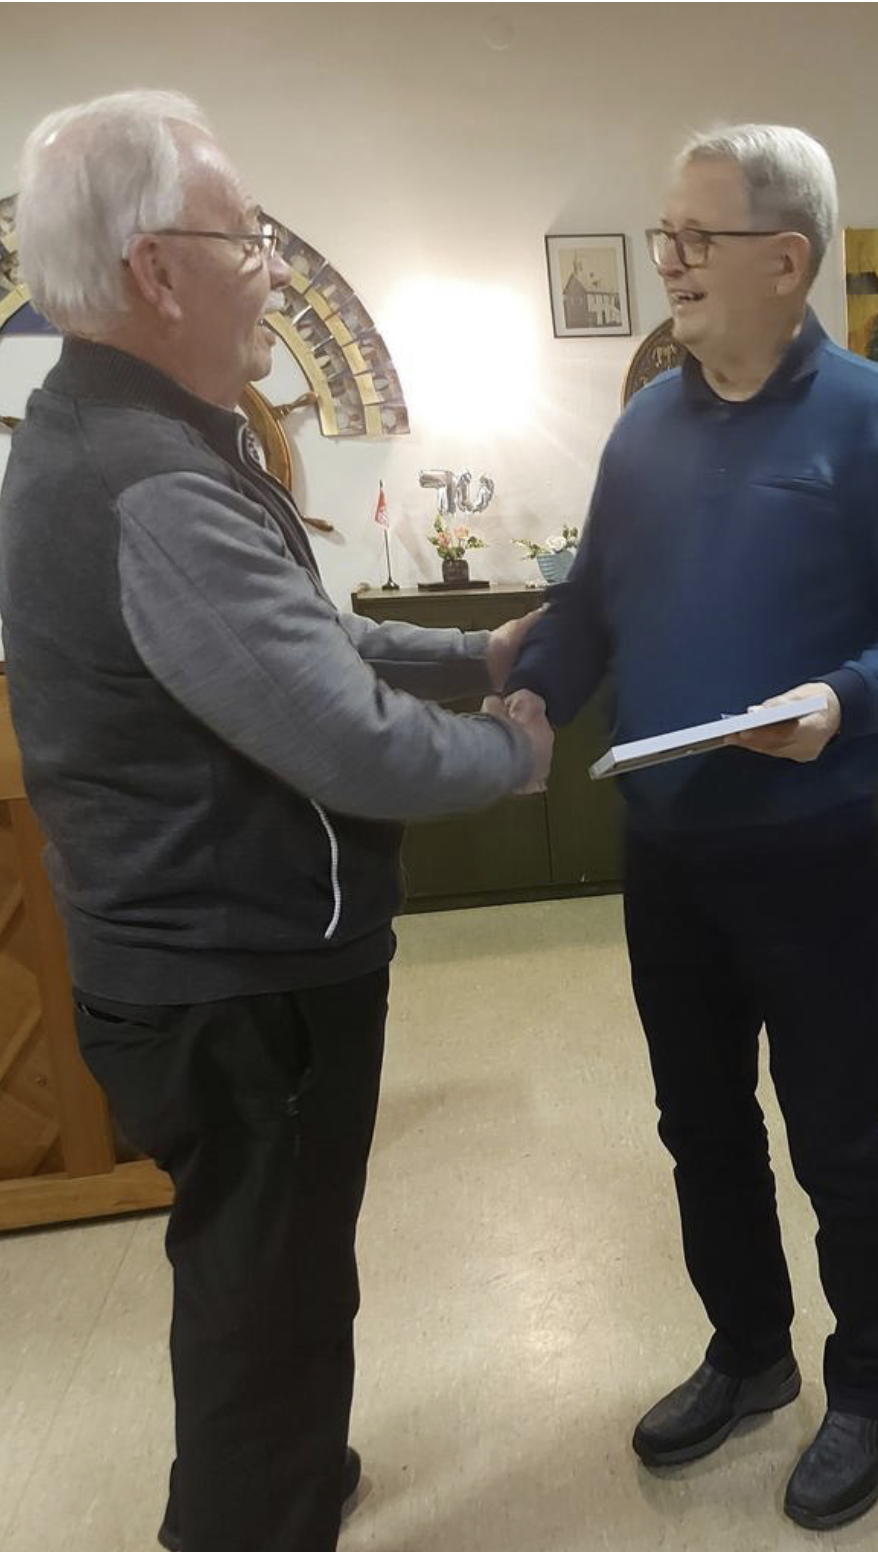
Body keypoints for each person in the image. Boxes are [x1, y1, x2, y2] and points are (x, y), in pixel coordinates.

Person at [0, 91, 552, 1552]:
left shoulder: (152, 433)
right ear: (154, 272)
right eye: (247, 240)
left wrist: (474, 654)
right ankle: (249, 1517)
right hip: (235, 979)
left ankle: (289, 1480)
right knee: (266, 1292)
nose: (273, 270)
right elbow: (339, 735)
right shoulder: (145, 476)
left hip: (215, 962)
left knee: (280, 1270)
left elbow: (305, 641)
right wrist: (506, 751)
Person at [501, 124, 878, 1530]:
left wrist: (843, 698)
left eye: (693, 238)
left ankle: (871, 1387)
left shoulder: (875, 418)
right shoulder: (644, 428)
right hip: (668, 853)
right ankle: (750, 1351)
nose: (668, 260)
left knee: (837, 1137)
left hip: (812, 852)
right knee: (700, 1124)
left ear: (787, 261)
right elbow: (591, 608)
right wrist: (528, 708)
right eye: (665, 235)